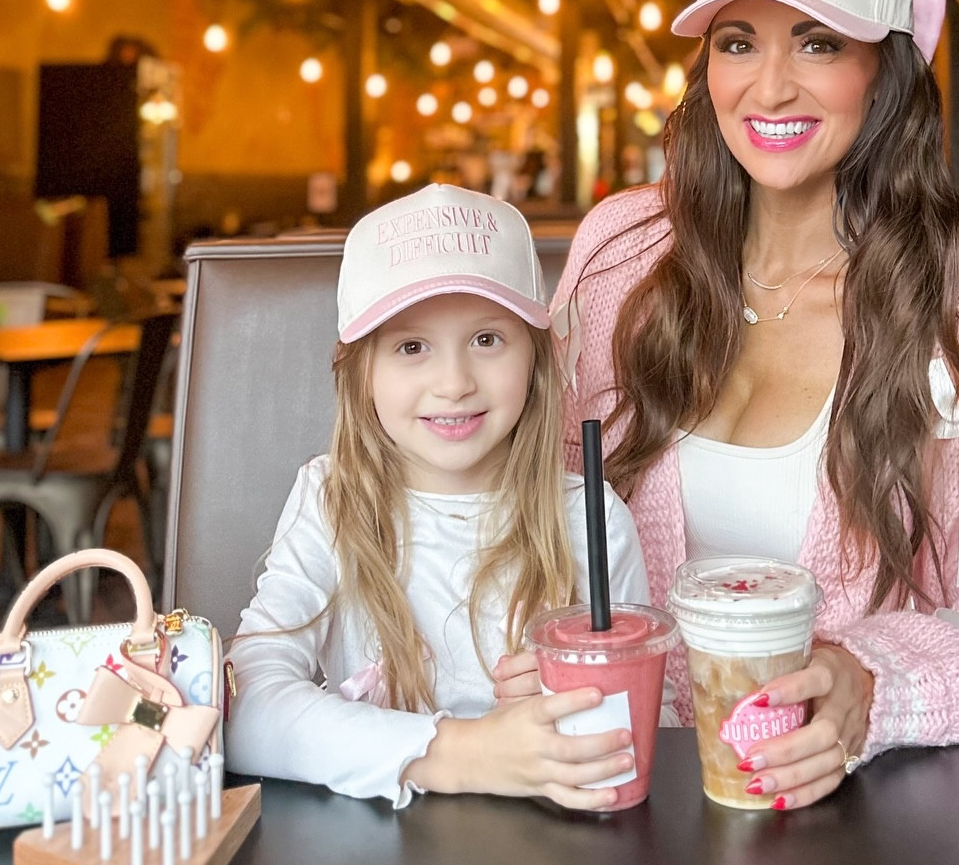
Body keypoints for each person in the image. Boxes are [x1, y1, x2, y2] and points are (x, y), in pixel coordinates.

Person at [551, 0, 959, 811]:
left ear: (883, 72)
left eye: (817, 43)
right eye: (736, 42)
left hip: (848, 831)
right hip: (609, 798)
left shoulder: (956, 328)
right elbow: (515, 519)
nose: (769, 87)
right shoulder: (617, 257)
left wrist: (869, 684)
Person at [227, 184, 653, 811]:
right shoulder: (331, 501)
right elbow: (244, 708)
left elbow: (650, 725)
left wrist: (587, 699)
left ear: (538, 361)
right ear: (359, 371)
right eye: (411, 347)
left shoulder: (589, 519)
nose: (453, 383)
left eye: (487, 340)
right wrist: (468, 752)